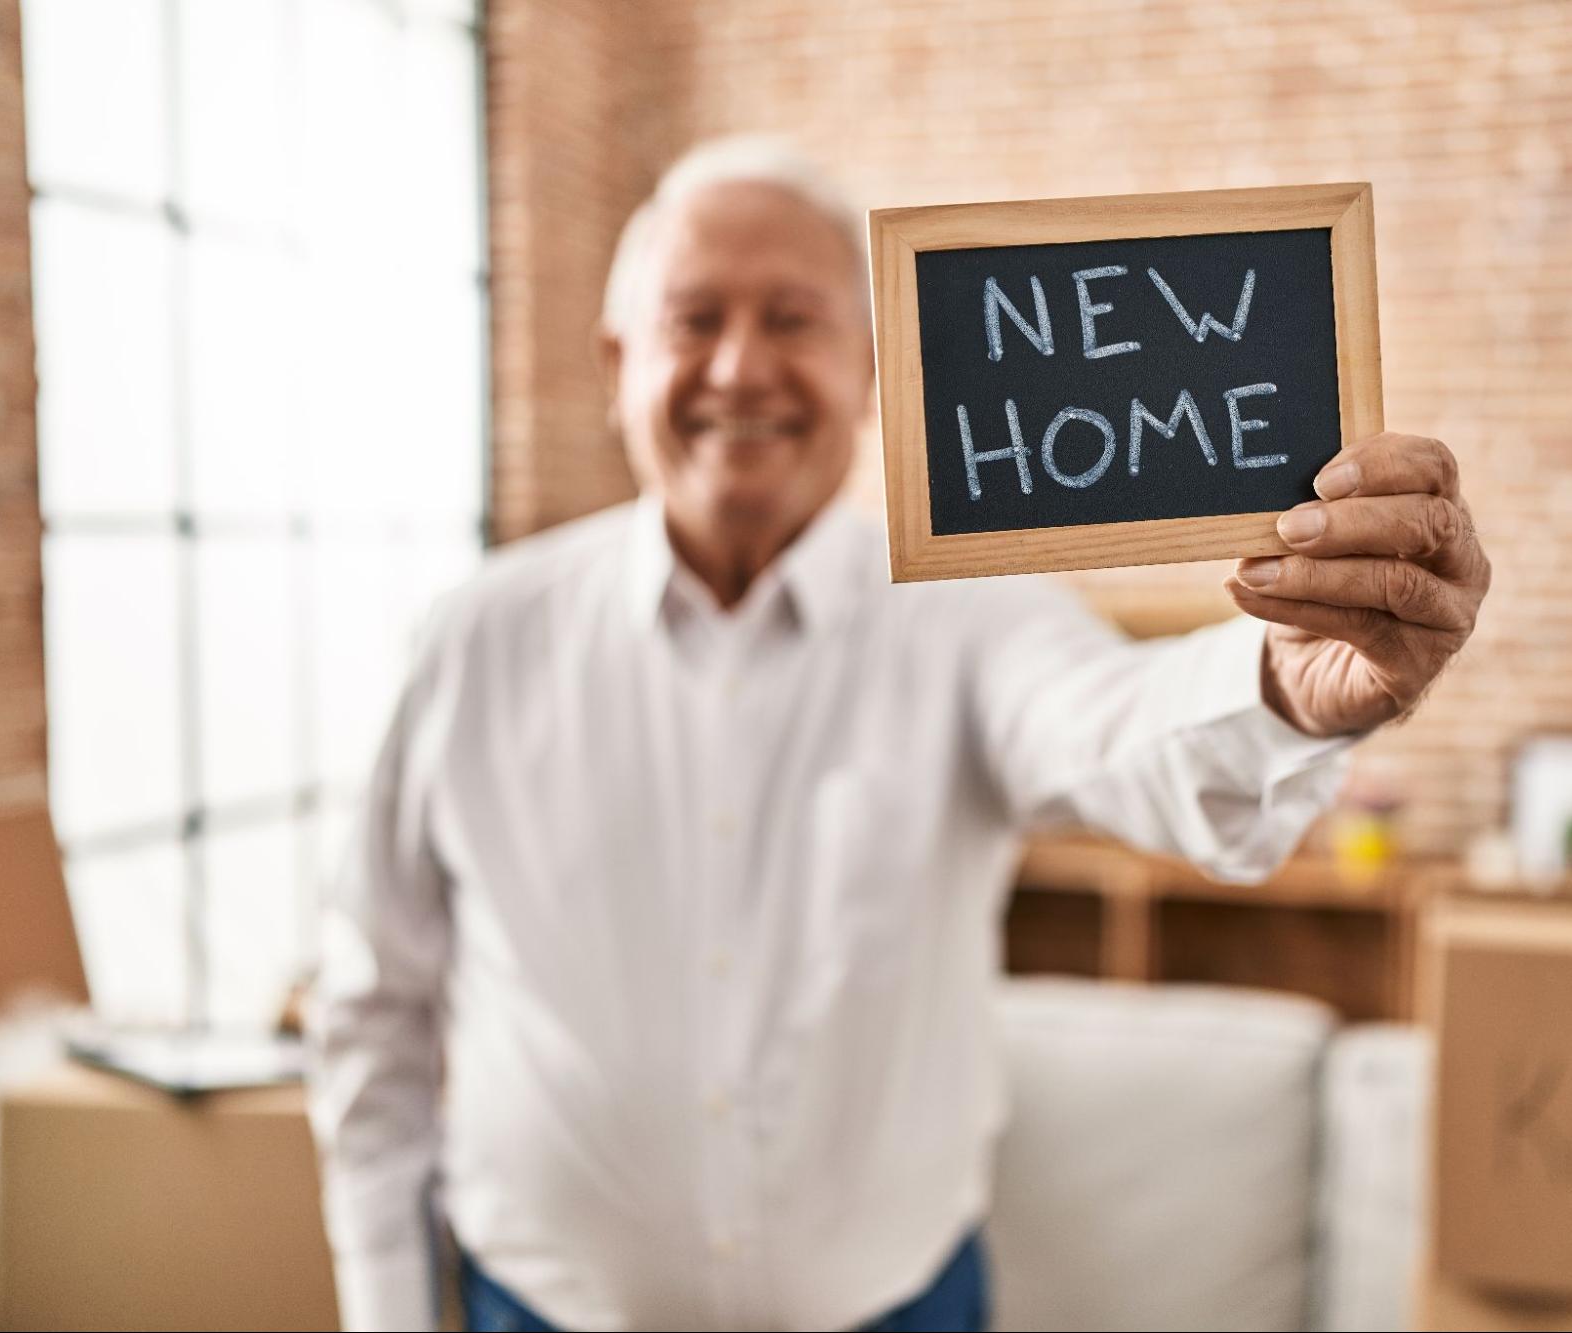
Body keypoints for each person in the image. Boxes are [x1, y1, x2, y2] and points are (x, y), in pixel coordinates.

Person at [306, 138, 1490, 1333]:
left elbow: (1108, 726)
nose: (739, 365)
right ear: (618, 365)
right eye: (694, 317)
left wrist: (1283, 680)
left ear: (871, 369)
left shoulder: (969, 614)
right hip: (529, 1306)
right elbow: (372, 1008)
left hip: (902, 1305)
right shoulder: (471, 643)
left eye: (791, 319)